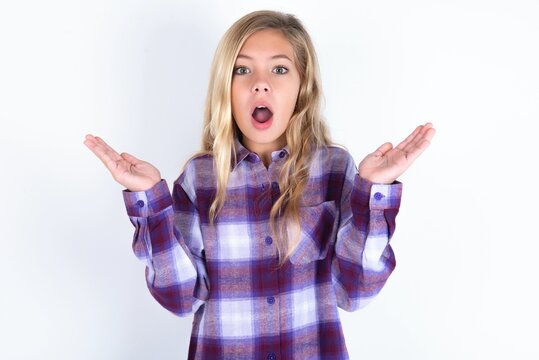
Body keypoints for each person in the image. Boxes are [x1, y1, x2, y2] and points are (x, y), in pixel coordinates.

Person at [84, 9, 435, 360]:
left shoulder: (334, 170)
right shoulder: (199, 179)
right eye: (242, 69)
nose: (260, 83)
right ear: (227, 87)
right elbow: (180, 298)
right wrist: (150, 203)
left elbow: (354, 292)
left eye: (279, 69)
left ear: (303, 86)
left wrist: (374, 192)